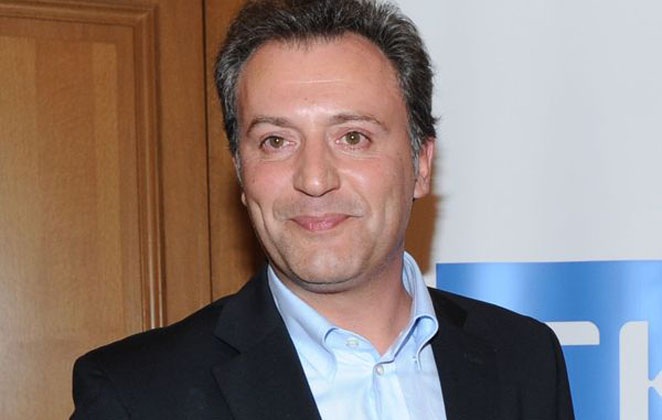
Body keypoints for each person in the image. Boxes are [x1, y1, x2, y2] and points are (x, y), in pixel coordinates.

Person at [70, 0, 575, 419]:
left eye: (353, 137)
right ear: (242, 173)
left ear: (421, 165)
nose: (313, 179)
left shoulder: (525, 360)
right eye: (275, 141)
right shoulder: (135, 396)